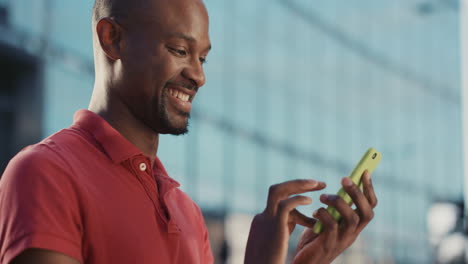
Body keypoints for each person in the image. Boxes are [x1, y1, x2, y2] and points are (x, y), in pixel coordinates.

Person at [0, 0, 378, 263]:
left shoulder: (187, 212)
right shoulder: (45, 173)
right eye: (180, 50)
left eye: (203, 57)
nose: (198, 75)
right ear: (112, 38)